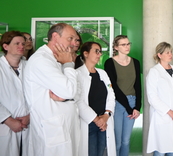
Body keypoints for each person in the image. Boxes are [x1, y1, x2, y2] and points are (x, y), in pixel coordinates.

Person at [23, 23, 80, 155]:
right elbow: (69, 91)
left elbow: (75, 91)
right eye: (70, 38)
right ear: (55, 36)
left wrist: (67, 95)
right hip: (53, 129)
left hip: (64, 125)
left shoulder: (56, 59)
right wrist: (69, 64)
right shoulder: (41, 60)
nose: (73, 44)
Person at [75, 42, 116, 156]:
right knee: (90, 152)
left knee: (101, 152)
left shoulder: (102, 73)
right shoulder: (77, 74)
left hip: (104, 121)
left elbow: (111, 95)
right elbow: (78, 101)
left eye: (100, 52)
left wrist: (106, 115)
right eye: (96, 51)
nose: (99, 54)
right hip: (89, 122)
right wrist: (96, 119)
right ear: (86, 53)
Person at [146, 42, 173, 155]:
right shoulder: (154, 72)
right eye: (167, 52)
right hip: (162, 116)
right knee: (160, 149)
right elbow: (152, 97)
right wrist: (170, 112)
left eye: (171, 52)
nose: (170, 54)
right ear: (159, 55)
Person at [104, 35, 141, 156]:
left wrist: (137, 107)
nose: (127, 47)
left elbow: (138, 86)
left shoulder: (135, 62)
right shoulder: (110, 63)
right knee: (117, 142)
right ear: (116, 47)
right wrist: (129, 108)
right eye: (123, 44)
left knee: (126, 141)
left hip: (132, 101)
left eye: (128, 44)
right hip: (117, 103)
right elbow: (113, 87)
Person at [0, 31, 30, 156]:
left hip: (29, 124)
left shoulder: (30, 66)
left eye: (23, 43)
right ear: (5, 46)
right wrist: (7, 120)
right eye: (17, 43)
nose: (21, 46)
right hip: (6, 125)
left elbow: (39, 94)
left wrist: (30, 116)